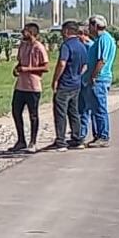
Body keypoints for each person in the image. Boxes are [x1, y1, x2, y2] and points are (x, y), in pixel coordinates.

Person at [46, 21, 89, 151]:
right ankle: (77, 139)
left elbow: (62, 63)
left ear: (66, 31)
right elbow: (85, 66)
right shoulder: (81, 45)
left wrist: (55, 79)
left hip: (65, 84)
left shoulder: (66, 45)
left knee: (60, 113)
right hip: (76, 84)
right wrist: (77, 75)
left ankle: (61, 141)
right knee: (74, 112)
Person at [9, 23, 49, 153]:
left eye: (25, 32)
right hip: (20, 85)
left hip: (33, 86)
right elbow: (20, 61)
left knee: (33, 115)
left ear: (32, 33)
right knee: (16, 112)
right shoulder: (23, 46)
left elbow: (45, 67)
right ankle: (21, 140)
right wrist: (17, 68)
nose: (22, 34)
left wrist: (28, 69)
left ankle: (33, 142)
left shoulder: (39, 48)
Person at [82, 15, 118, 148]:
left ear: (95, 26)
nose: (88, 29)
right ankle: (97, 135)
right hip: (97, 78)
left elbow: (102, 60)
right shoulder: (99, 39)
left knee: (100, 108)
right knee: (95, 108)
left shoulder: (104, 39)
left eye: (90, 26)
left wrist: (94, 76)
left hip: (100, 78)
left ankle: (103, 135)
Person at [77, 26, 96, 145]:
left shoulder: (91, 46)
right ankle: (81, 134)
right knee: (81, 108)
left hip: (88, 80)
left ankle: (96, 134)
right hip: (80, 81)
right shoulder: (81, 46)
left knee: (91, 108)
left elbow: (89, 64)